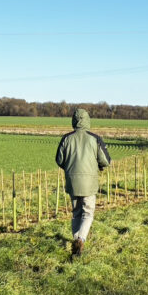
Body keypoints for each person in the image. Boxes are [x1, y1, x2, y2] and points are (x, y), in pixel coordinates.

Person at [55, 108, 111, 257]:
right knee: (88, 213)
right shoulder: (95, 138)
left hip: (72, 182)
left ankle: (75, 240)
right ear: (87, 120)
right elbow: (106, 161)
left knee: (76, 213)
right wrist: (97, 165)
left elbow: (59, 160)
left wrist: (69, 168)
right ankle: (81, 239)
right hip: (89, 183)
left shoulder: (66, 138)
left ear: (73, 120)